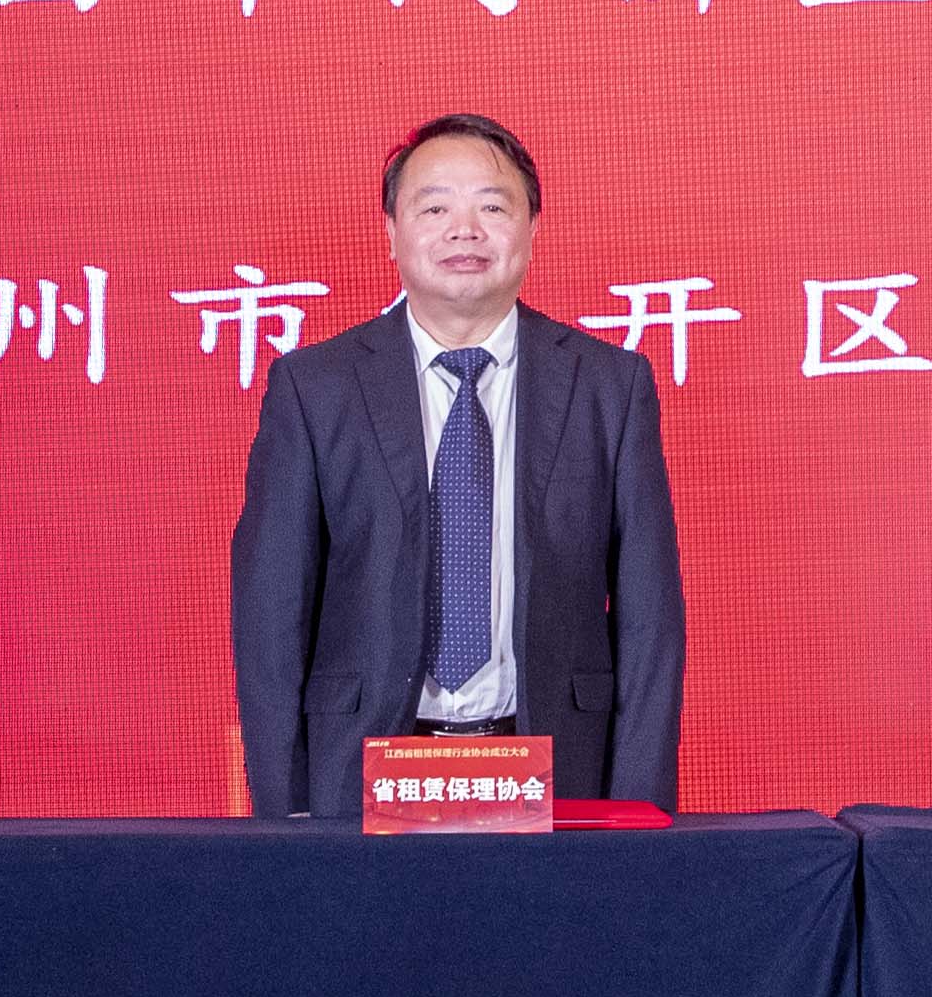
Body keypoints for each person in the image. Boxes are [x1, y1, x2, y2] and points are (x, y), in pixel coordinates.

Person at [230, 113, 687, 816]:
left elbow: (650, 619)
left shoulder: (609, 387)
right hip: (361, 773)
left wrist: (636, 811)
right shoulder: (315, 388)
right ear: (391, 232)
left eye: (493, 208)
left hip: (557, 770)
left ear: (532, 229)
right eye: (435, 207)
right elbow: (271, 615)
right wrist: (285, 812)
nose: (465, 230)